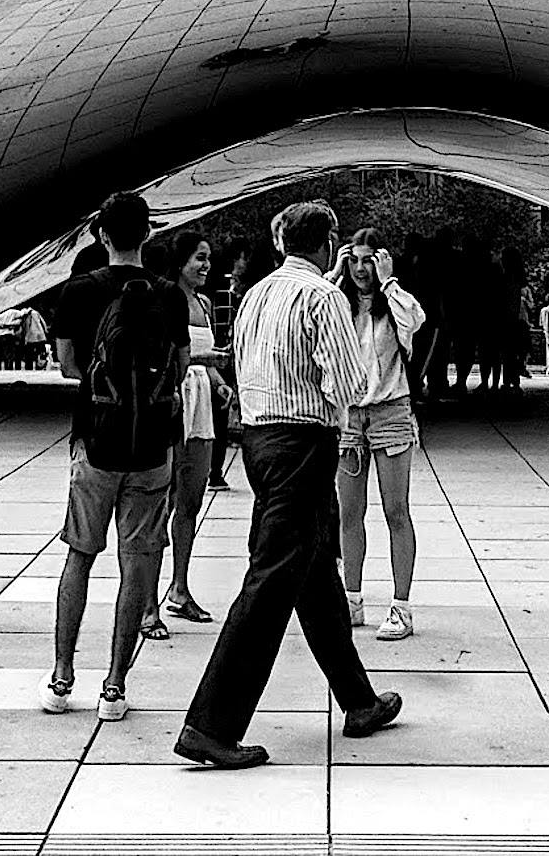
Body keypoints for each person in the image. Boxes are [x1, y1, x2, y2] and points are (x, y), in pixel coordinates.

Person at [177, 201, 401, 770]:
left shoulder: (257, 293)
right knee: (274, 579)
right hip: (304, 441)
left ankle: (359, 701)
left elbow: (242, 362)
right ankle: (210, 725)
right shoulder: (323, 298)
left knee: (314, 569)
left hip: (259, 440)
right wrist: (341, 417)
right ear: (328, 243)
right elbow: (350, 377)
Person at [46, 191, 189, 723]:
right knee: (138, 564)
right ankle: (115, 685)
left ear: (101, 236)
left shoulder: (80, 291)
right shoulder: (170, 296)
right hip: (152, 447)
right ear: (147, 233)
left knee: (79, 556)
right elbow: (178, 367)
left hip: (96, 443)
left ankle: (62, 677)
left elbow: (67, 367)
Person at [334, 228, 425, 641]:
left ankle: (401, 606)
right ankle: (351, 598)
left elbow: (415, 320)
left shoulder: (394, 306)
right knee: (349, 513)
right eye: (353, 259)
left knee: (396, 510)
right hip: (350, 414)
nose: (359, 268)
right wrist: (334, 275)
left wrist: (390, 282)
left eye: (367, 260)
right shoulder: (338, 303)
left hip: (391, 410)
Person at [148, 229, 228, 627]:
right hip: (173, 400)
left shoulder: (204, 302)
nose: (206, 265)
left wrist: (220, 383)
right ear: (180, 262)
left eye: (208, 257)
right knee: (163, 499)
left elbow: (206, 363)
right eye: (199, 257)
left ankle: (179, 588)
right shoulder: (167, 298)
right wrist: (204, 357)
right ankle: (148, 599)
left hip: (201, 405)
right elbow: (166, 352)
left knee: (190, 500)